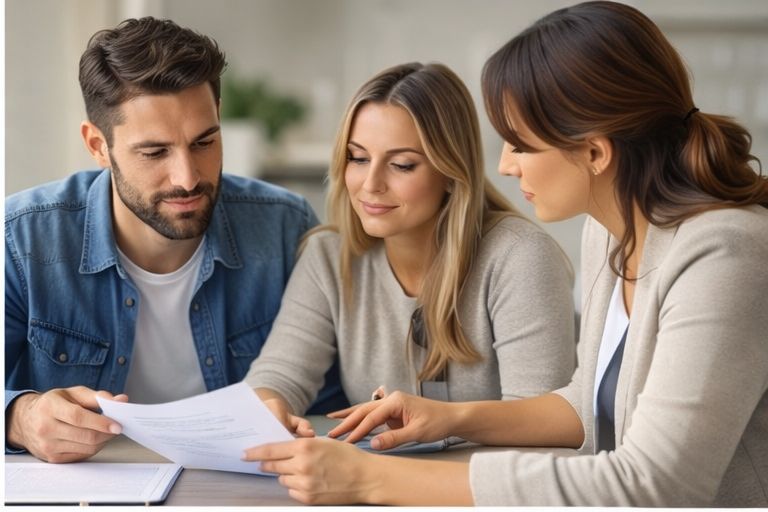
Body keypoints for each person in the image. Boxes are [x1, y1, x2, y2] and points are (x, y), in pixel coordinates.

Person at [243, 2, 768, 506]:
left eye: (520, 144)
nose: (505, 165)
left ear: (594, 152)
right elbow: (584, 405)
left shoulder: (724, 254)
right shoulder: (611, 234)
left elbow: (653, 487)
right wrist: (450, 418)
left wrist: (372, 478)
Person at [4, 16, 346, 464]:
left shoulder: (285, 226)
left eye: (204, 143)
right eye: (154, 152)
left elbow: (336, 401)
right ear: (98, 145)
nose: (187, 178)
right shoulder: (22, 239)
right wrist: (20, 418)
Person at [244, 62, 576, 431]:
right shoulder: (328, 256)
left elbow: (545, 425)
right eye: (358, 158)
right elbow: (278, 375)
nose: (371, 184)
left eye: (402, 165)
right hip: (375, 468)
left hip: (488, 472)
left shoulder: (520, 256)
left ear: (450, 171)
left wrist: (442, 425)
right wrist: (269, 407)